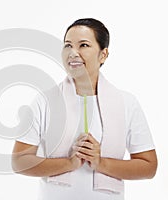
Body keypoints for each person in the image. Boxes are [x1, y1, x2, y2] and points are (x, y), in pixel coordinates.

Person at [11, 18, 157, 200]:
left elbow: (149, 167)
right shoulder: (45, 102)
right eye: (68, 45)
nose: (73, 53)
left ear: (103, 55)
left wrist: (101, 163)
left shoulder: (127, 103)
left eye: (84, 45)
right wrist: (68, 163)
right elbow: (19, 162)